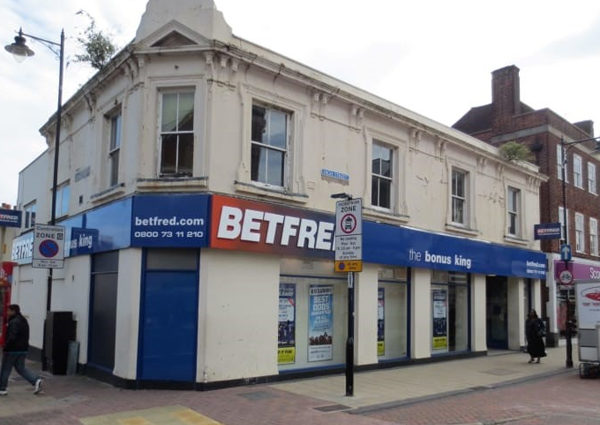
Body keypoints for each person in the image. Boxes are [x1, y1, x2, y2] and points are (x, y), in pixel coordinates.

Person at [0, 304, 43, 395]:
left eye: (8, 311)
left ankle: (2, 388)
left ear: (13, 311)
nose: (7, 313)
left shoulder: (14, 322)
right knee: (20, 368)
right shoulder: (23, 320)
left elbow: (12, 337)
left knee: (5, 369)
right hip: (23, 349)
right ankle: (36, 380)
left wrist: (5, 347)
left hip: (12, 350)